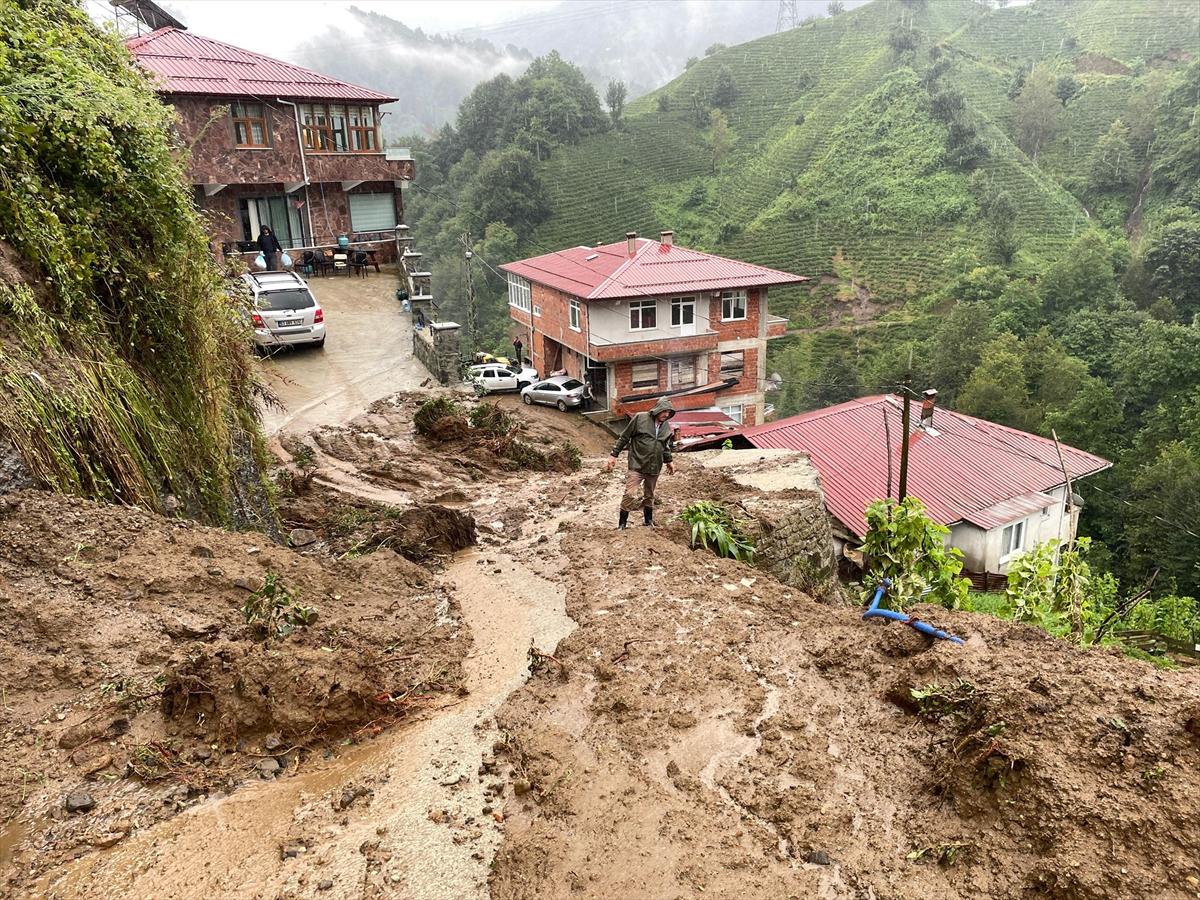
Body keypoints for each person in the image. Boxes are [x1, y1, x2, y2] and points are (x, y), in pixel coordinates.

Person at [605, 397, 676, 529]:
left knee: (649, 495)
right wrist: (614, 455)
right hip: (637, 464)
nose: (666, 414)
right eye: (664, 411)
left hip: (654, 466)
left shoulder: (666, 426)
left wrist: (669, 461)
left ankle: (648, 521)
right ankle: (622, 525)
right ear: (658, 409)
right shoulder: (640, 418)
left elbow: (664, 446)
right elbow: (625, 437)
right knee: (630, 494)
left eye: (669, 412)